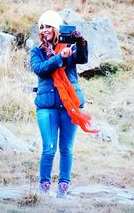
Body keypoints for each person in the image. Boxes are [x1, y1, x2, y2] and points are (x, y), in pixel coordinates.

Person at [30, 10, 98, 198]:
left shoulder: (69, 46)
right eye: (41, 27)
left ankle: (63, 188)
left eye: (47, 26)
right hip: (46, 106)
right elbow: (40, 69)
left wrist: (81, 42)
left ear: (55, 28)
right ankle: (44, 188)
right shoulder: (37, 51)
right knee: (49, 148)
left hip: (70, 106)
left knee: (66, 149)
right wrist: (60, 57)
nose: (44, 30)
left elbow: (82, 58)